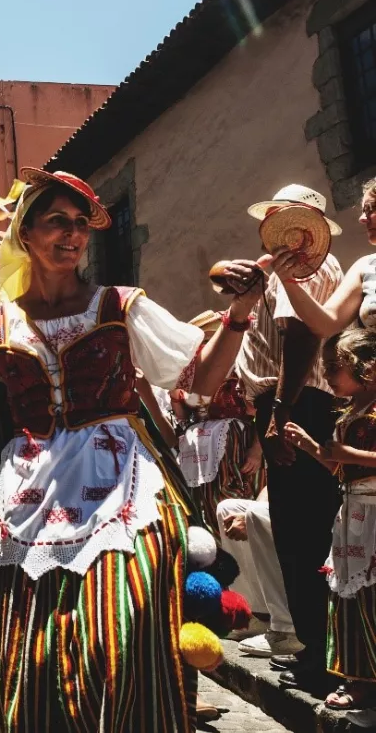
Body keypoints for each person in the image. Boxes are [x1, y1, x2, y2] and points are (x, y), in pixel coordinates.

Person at [0, 168, 259, 731]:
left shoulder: (121, 305)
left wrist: (238, 315)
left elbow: (198, 379)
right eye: (57, 221)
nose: (73, 234)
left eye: (80, 224)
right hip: (32, 493)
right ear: (26, 233)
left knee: (122, 628)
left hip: (121, 482)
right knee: (36, 647)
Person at [230, 184, 345, 692]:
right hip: (290, 404)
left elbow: (301, 337)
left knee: (304, 536)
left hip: (298, 405)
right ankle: (314, 651)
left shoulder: (306, 269)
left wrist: (279, 413)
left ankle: (319, 657)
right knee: (298, 534)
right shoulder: (287, 270)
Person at [284, 330, 376, 725]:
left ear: (367, 369)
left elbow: (351, 458)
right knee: (350, 598)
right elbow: (340, 466)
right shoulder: (350, 413)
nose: (327, 375)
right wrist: (309, 445)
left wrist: (348, 453)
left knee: (372, 595)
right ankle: (358, 678)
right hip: (352, 511)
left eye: (335, 367)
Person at [171, 312, 263, 538]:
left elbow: (262, 410)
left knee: (237, 493)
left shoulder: (242, 370)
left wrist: (257, 450)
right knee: (205, 501)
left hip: (235, 442)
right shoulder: (193, 375)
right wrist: (177, 399)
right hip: (200, 446)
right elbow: (189, 414)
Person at [271, 177, 376, 336]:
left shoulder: (317, 263)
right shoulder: (365, 266)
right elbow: (327, 324)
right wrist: (288, 281)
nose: (361, 218)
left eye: (370, 208)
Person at [217, 487, 302, 658]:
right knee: (227, 508)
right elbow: (273, 484)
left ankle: (289, 631)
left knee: (256, 514)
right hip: (291, 504)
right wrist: (250, 517)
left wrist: (252, 517)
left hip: (323, 506)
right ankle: (256, 618)